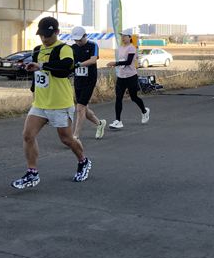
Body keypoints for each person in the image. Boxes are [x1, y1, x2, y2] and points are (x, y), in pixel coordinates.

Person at [11, 16, 92, 189]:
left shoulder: (64, 49)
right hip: (40, 104)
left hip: (60, 103)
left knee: (66, 139)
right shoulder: (37, 50)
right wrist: (33, 83)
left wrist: (41, 66)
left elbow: (65, 68)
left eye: (47, 35)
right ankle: (32, 173)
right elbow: (38, 75)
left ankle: (83, 161)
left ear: (57, 32)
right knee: (27, 135)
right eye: (41, 35)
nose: (44, 38)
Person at [70, 26, 107, 142]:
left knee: (80, 107)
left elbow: (93, 60)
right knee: (84, 109)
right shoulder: (73, 47)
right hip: (78, 80)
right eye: (76, 40)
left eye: (80, 39)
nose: (78, 42)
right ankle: (99, 123)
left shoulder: (93, 45)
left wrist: (79, 65)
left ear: (85, 36)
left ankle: (75, 135)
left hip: (89, 80)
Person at [107, 32, 150, 129]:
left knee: (134, 97)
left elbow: (128, 62)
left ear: (130, 38)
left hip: (131, 76)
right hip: (121, 76)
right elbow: (122, 61)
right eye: (121, 36)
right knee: (118, 98)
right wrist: (117, 65)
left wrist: (115, 63)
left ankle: (144, 111)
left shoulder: (131, 48)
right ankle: (118, 121)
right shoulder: (120, 48)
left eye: (125, 36)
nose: (123, 38)